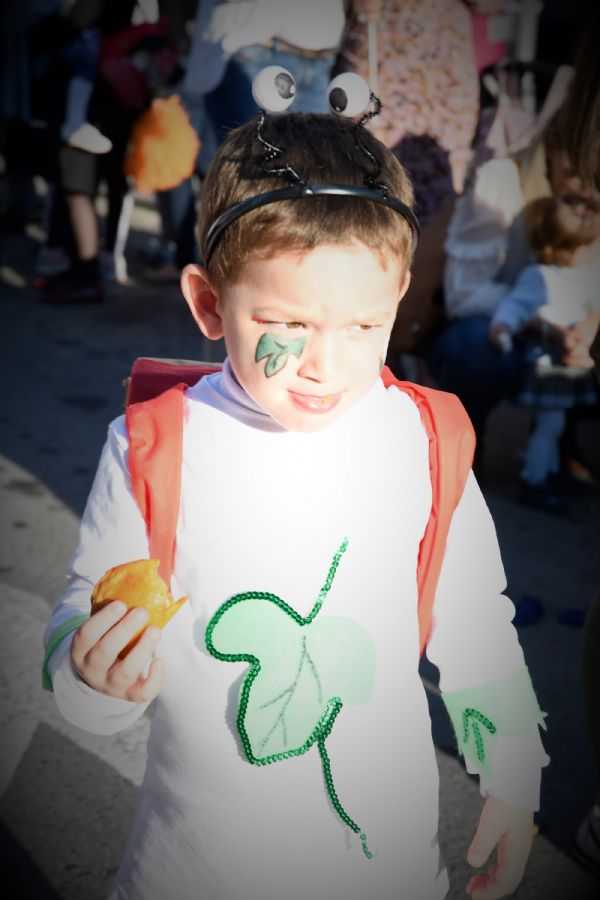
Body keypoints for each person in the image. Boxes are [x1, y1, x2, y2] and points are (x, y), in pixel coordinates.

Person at [43, 84, 548, 900]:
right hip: (190, 872)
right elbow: (86, 609)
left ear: (399, 300)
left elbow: (476, 620)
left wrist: (515, 781)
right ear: (210, 303)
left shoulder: (423, 440)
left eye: (363, 327)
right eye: (287, 324)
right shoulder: (156, 444)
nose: (328, 365)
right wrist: (91, 675)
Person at [427, 102, 600, 476]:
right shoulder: (502, 180)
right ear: (552, 147)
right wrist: (542, 323)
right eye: (575, 163)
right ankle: (467, 443)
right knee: (475, 347)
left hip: (567, 336)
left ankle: (562, 440)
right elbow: (463, 297)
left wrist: (587, 325)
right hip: (500, 328)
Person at [487, 194, 600, 512]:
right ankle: (534, 480)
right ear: (569, 248)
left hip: (566, 368)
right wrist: (503, 327)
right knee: (550, 426)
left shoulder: (578, 277)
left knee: (555, 426)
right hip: (547, 367)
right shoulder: (538, 277)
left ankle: (549, 474)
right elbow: (514, 307)